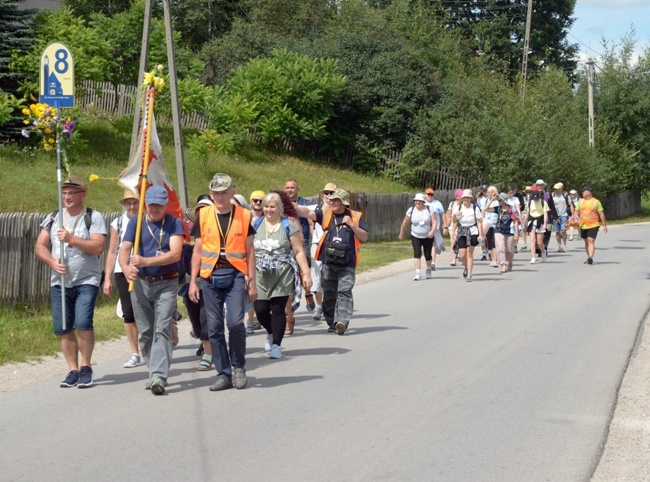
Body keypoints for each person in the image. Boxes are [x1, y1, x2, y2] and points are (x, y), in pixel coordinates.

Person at [35, 175, 107, 388]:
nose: (66, 196)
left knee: (83, 322)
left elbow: (98, 247)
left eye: (71, 193)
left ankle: (86, 367)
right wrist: (52, 261)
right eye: (64, 192)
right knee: (63, 327)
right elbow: (40, 246)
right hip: (60, 280)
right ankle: (73, 370)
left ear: (82, 194)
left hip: (87, 279)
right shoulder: (53, 216)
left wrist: (72, 239)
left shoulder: (93, 217)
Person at [189, 173, 257, 391]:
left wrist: (252, 281)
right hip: (209, 277)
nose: (220, 196)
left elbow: (250, 250)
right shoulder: (204, 215)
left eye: (224, 192)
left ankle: (238, 367)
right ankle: (223, 374)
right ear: (211, 194)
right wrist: (193, 282)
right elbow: (197, 250)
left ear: (232, 193)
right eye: (216, 193)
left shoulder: (244, 215)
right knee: (215, 327)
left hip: (236, 274)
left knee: (236, 323)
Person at [119, 185, 185, 395]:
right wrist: (126, 267)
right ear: (145, 204)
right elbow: (124, 249)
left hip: (166, 281)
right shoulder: (136, 222)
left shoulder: (174, 223)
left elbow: (175, 254)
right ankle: (152, 370)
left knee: (162, 328)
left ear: (166, 205)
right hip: (140, 283)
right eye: (151, 204)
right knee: (145, 331)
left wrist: (146, 260)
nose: (154, 208)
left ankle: (159, 375)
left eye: (159, 205)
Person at [294, 188, 368, 335]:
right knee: (329, 292)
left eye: (336, 200)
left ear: (343, 203)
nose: (332, 202)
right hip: (328, 261)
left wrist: (352, 225)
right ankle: (332, 322)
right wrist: (287, 203)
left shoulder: (355, 216)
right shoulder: (326, 214)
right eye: (331, 200)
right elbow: (306, 212)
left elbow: (364, 237)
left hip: (347, 262)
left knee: (344, 291)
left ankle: (342, 321)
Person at [253, 192, 312, 359]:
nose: (268, 210)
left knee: (278, 309)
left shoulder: (289, 225)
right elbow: (248, 249)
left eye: (272, 206)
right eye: (266, 206)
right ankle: (271, 332)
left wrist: (306, 274)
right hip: (260, 274)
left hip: (282, 273)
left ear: (280, 208)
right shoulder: (255, 225)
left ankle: (276, 345)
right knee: (260, 309)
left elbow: (299, 251)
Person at [103, 189, 142, 368]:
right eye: (128, 203)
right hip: (122, 270)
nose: (132, 206)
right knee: (128, 313)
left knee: (148, 310)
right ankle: (135, 352)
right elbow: (112, 251)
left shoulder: (145, 218)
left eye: (134, 202)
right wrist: (108, 278)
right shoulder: (117, 223)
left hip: (144, 269)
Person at [184, 194, 214, 370]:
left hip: (213, 280)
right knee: (195, 316)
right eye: (199, 211)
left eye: (205, 210)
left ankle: (208, 353)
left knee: (206, 317)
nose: (202, 214)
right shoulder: (191, 235)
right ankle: (206, 345)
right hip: (193, 282)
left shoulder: (218, 230)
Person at [309, 183, 336, 321]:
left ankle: (329, 306)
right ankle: (319, 306)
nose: (328, 196)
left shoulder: (338, 210)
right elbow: (310, 222)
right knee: (316, 277)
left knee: (329, 277)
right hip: (317, 244)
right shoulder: (316, 208)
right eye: (326, 193)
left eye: (331, 193)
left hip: (332, 246)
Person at [398, 193, 437, 280]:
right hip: (415, 235)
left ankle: (428, 269)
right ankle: (418, 273)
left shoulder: (429, 209)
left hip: (427, 236)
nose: (417, 202)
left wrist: (432, 231)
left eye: (419, 201)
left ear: (423, 202)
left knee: (428, 255)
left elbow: (434, 221)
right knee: (417, 253)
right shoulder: (411, 210)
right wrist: (401, 233)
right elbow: (405, 222)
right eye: (416, 201)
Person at [450, 189, 483, 281]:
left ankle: (469, 274)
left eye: (468, 198)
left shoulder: (475, 208)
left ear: (471, 199)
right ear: (462, 198)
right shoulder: (458, 207)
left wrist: (480, 234)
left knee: (469, 253)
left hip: (472, 231)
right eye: (465, 198)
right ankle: (466, 267)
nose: (466, 199)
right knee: (462, 254)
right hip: (462, 231)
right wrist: (453, 230)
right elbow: (454, 221)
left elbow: (479, 221)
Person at [573, 186, 607, 265]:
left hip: (593, 225)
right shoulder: (580, 201)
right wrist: (575, 219)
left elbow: (601, 214)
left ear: (588, 192)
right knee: (586, 242)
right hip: (583, 225)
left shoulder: (596, 202)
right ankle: (588, 256)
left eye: (583, 191)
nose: (582, 193)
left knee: (590, 241)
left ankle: (590, 257)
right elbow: (576, 211)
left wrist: (604, 225)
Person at [494, 193, 518, 273]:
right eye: (498, 200)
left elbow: (515, 222)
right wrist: (491, 199)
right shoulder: (498, 208)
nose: (498, 201)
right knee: (501, 248)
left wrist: (516, 233)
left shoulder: (510, 210)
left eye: (500, 200)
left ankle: (510, 262)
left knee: (509, 250)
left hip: (509, 231)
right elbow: (485, 209)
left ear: (504, 201)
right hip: (498, 230)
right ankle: (503, 265)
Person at [526, 185, 549, 264]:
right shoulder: (530, 203)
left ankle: (543, 252)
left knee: (539, 242)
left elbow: (545, 214)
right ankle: (533, 257)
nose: (535, 200)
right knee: (532, 240)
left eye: (537, 199)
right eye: (534, 199)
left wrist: (545, 224)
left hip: (540, 221)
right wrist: (525, 222)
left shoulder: (543, 203)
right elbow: (528, 213)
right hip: (532, 221)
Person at [548, 182, 573, 253]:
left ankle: (564, 245)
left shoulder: (565, 195)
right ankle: (559, 246)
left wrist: (573, 215)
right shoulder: (552, 196)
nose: (555, 190)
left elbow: (570, 205)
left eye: (557, 189)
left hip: (564, 215)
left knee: (563, 231)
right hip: (555, 216)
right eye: (555, 189)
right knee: (557, 232)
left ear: (561, 189)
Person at [424, 188, 445, 269]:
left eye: (431, 194)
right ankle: (440, 245)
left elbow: (443, 214)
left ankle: (432, 262)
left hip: (434, 227)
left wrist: (445, 225)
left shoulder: (437, 203)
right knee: (426, 245)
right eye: (428, 194)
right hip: (424, 227)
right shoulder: (422, 203)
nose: (430, 196)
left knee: (432, 244)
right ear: (425, 195)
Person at [480, 185, 499, 268]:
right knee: (489, 243)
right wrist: (489, 202)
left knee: (493, 242)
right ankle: (492, 259)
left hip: (494, 223)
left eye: (489, 192)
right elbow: (484, 210)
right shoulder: (485, 200)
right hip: (487, 224)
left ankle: (495, 259)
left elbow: (493, 209)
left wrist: (492, 200)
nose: (487, 193)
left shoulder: (496, 202)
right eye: (487, 192)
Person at [444, 189, 463, 266]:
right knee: (453, 241)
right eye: (460, 196)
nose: (461, 197)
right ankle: (453, 259)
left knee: (460, 241)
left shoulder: (464, 204)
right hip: (452, 224)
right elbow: (448, 214)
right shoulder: (452, 204)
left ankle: (460, 255)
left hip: (461, 224)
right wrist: (446, 226)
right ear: (456, 196)